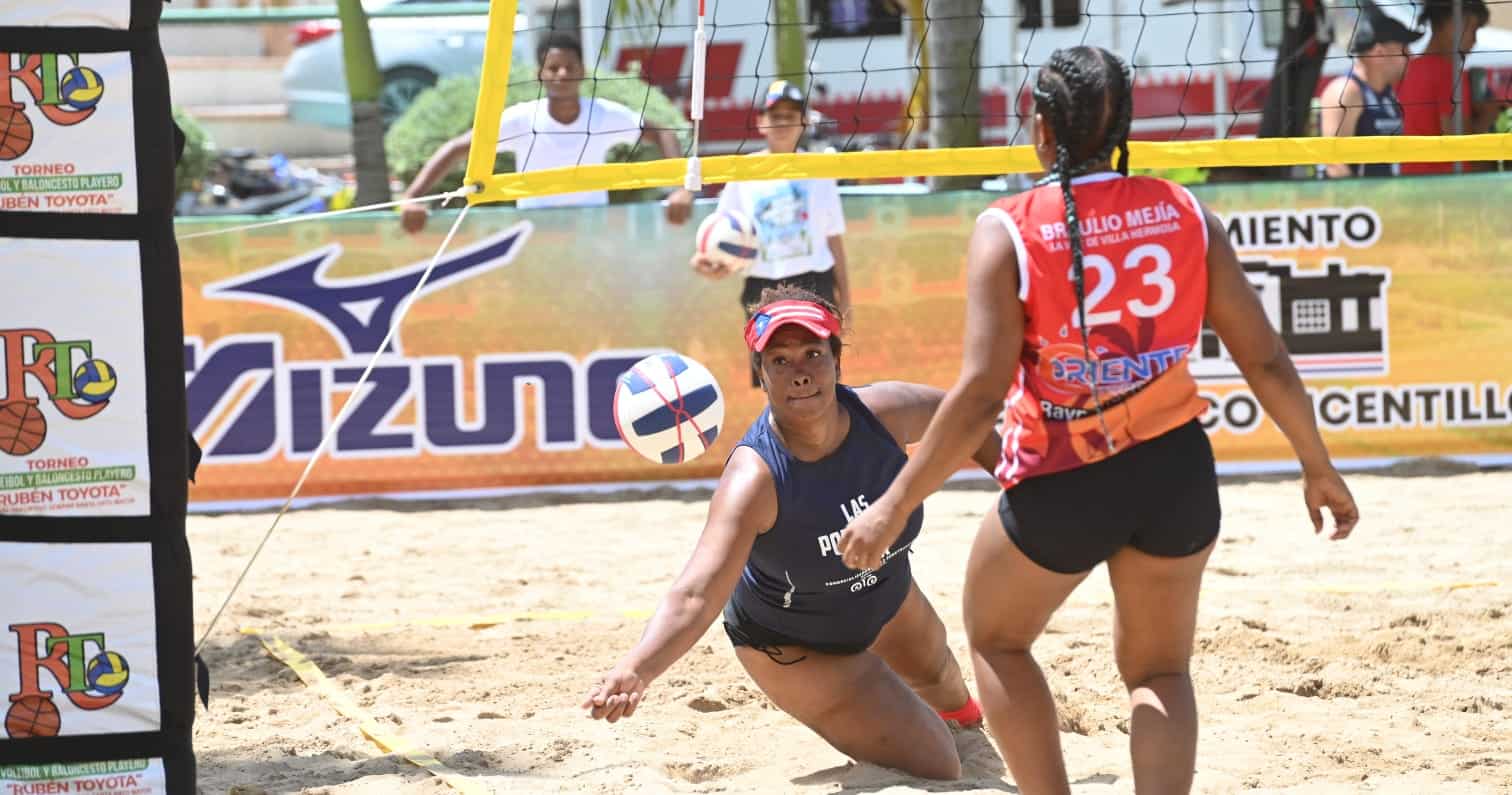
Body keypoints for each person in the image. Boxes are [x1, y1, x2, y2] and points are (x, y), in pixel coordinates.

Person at [835, 46, 1360, 794]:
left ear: (1042, 128)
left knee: (996, 638)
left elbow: (979, 395)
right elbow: (1266, 359)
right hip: (1175, 468)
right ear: (1125, 128)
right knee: (1159, 669)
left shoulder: (1008, 228)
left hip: (1064, 473)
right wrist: (1317, 464)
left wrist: (893, 505)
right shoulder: (1184, 211)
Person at [583, 287, 998, 781]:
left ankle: (962, 725)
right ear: (760, 373)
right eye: (779, 359)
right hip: (794, 642)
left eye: (813, 354)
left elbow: (978, 422)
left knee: (946, 685)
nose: (800, 371)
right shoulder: (754, 479)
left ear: (837, 360)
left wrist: (1031, 489)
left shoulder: (887, 412)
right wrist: (638, 668)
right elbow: (695, 593)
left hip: (883, 593)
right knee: (936, 762)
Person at [398, 31, 695, 231]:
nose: (562, 74)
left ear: (582, 70)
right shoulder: (521, 119)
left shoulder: (603, 114)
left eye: (569, 66)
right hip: (536, 230)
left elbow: (663, 132)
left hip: (592, 229)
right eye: (553, 68)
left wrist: (680, 190)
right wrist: (412, 197)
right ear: (539, 75)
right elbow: (456, 148)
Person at [689, 80, 852, 386]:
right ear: (761, 122)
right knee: (772, 378)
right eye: (775, 116)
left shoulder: (819, 168)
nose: (782, 123)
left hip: (815, 282)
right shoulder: (744, 171)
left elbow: (834, 239)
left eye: (790, 115)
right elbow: (719, 234)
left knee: (824, 375)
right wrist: (704, 262)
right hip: (762, 287)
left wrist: (847, 300)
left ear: (803, 122)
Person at [1397, 0, 1504, 175]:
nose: (1475, 40)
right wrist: (1487, 116)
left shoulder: (1409, 69)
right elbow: (1460, 145)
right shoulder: (1449, 72)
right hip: (1444, 188)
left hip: (1413, 183)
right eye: (1474, 29)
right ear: (1452, 24)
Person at [1317, 1, 1421, 178]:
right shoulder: (1345, 92)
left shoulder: (1387, 94)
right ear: (1379, 52)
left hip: (1384, 201)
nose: (1410, 56)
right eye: (1403, 48)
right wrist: (1364, 204)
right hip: (1357, 204)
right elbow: (1335, 165)